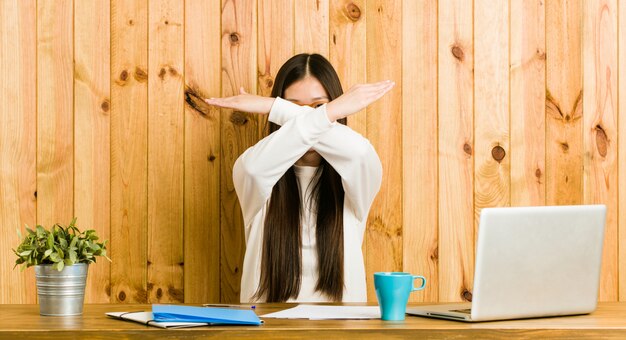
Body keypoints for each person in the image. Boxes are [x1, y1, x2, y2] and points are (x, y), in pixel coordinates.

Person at [205, 53, 394, 303]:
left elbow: (358, 153)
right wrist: (330, 111)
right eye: (292, 107)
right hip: (267, 333)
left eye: (319, 107)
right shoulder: (255, 171)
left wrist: (276, 108)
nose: (309, 117)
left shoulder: (356, 175)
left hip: (342, 332)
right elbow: (252, 169)